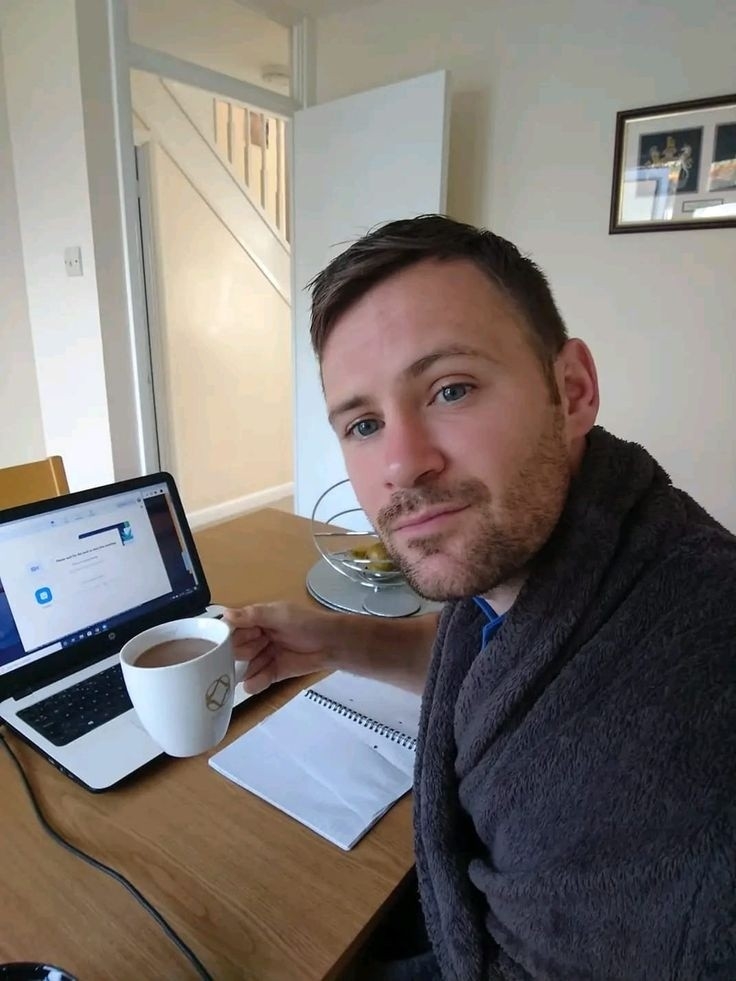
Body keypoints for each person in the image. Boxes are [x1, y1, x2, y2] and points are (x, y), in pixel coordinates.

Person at [225, 216, 736, 980]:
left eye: (451, 389)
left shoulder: (683, 720)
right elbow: (497, 657)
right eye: (363, 424)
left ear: (572, 390)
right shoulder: (570, 550)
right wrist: (334, 640)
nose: (402, 464)